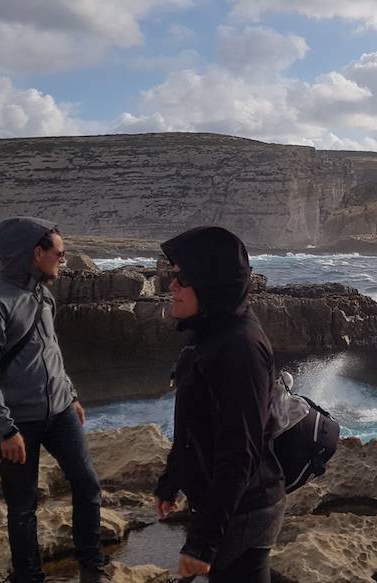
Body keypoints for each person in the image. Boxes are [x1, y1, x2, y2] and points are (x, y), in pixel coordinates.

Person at [0, 217, 110, 583]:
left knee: (88, 484)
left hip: (60, 411)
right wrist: (5, 430)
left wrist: (71, 394)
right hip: (18, 423)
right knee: (23, 507)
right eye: (59, 253)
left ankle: (92, 566)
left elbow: (50, 351)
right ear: (37, 253)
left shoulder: (43, 293)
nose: (64, 259)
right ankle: (29, 577)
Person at [154, 226, 286, 583]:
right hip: (230, 503)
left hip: (246, 510)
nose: (172, 287)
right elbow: (196, 426)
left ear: (210, 283)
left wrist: (202, 545)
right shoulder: (211, 333)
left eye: (182, 278)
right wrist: (172, 479)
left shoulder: (240, 349)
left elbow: (238, 454)